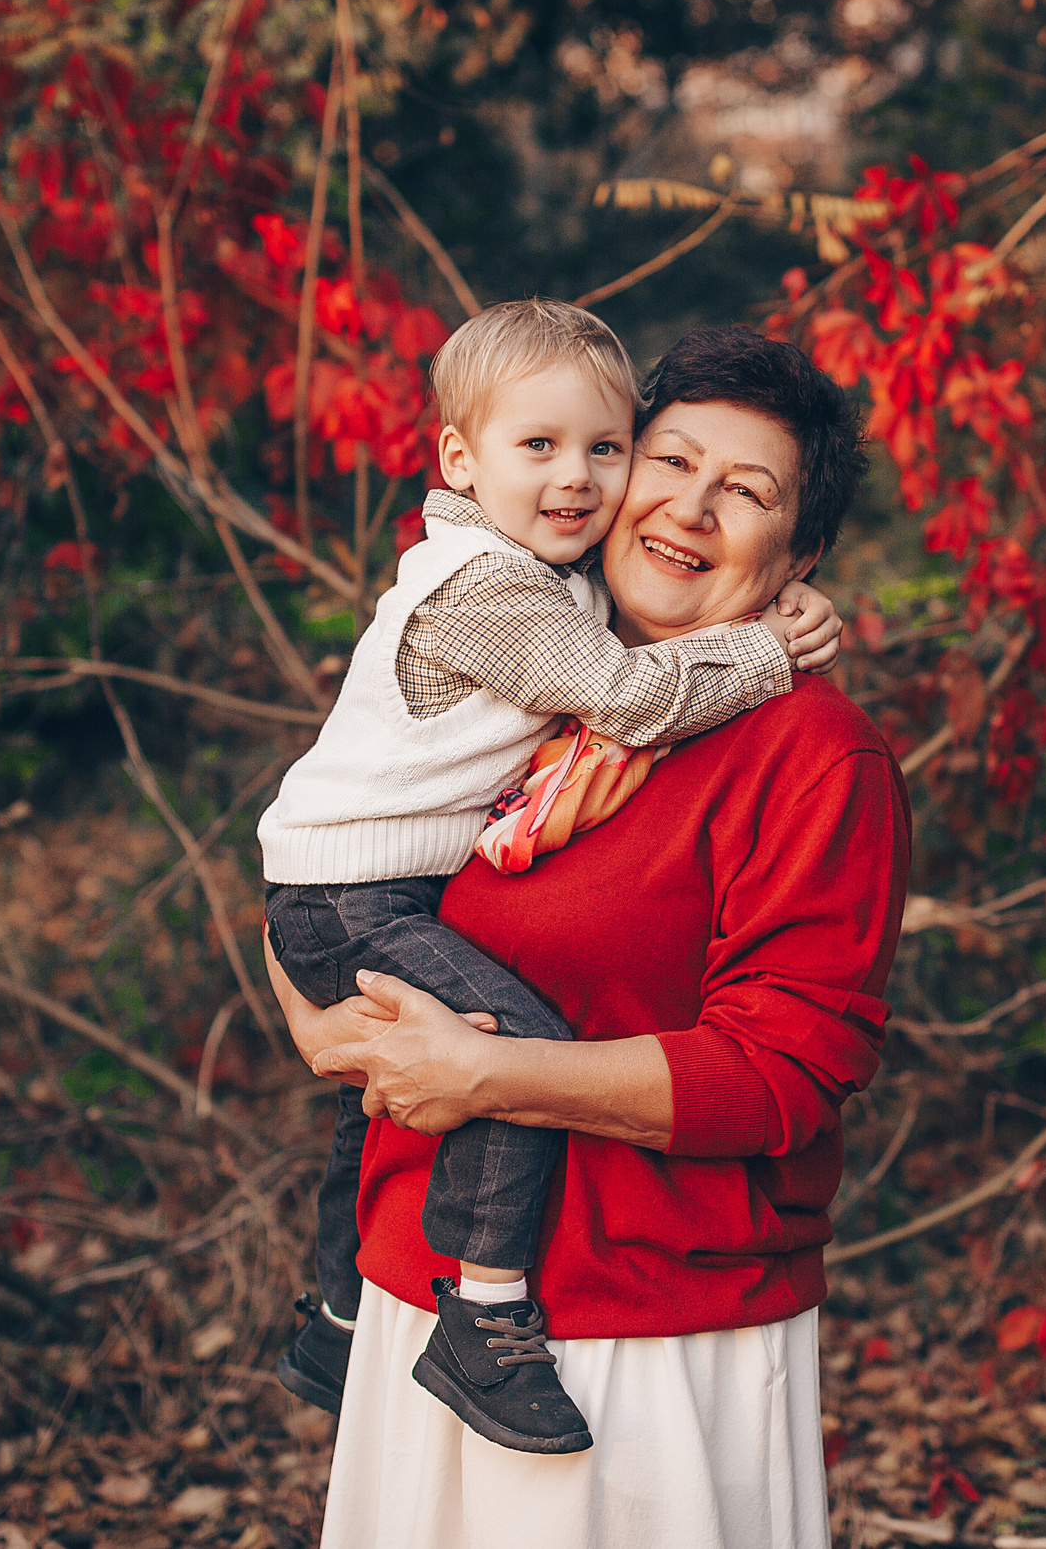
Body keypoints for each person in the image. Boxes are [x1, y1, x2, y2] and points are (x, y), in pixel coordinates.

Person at [268, 325, 909, 1549]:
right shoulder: (527, 687)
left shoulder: (816, 757)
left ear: (800, 554)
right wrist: (313, 1021)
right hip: (421, 1299)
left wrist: (492, 1074)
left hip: (644, 1337)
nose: (689, 508)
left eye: (749, 492)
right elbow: (333, 849)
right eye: (668, 463)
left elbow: (788, 1071)